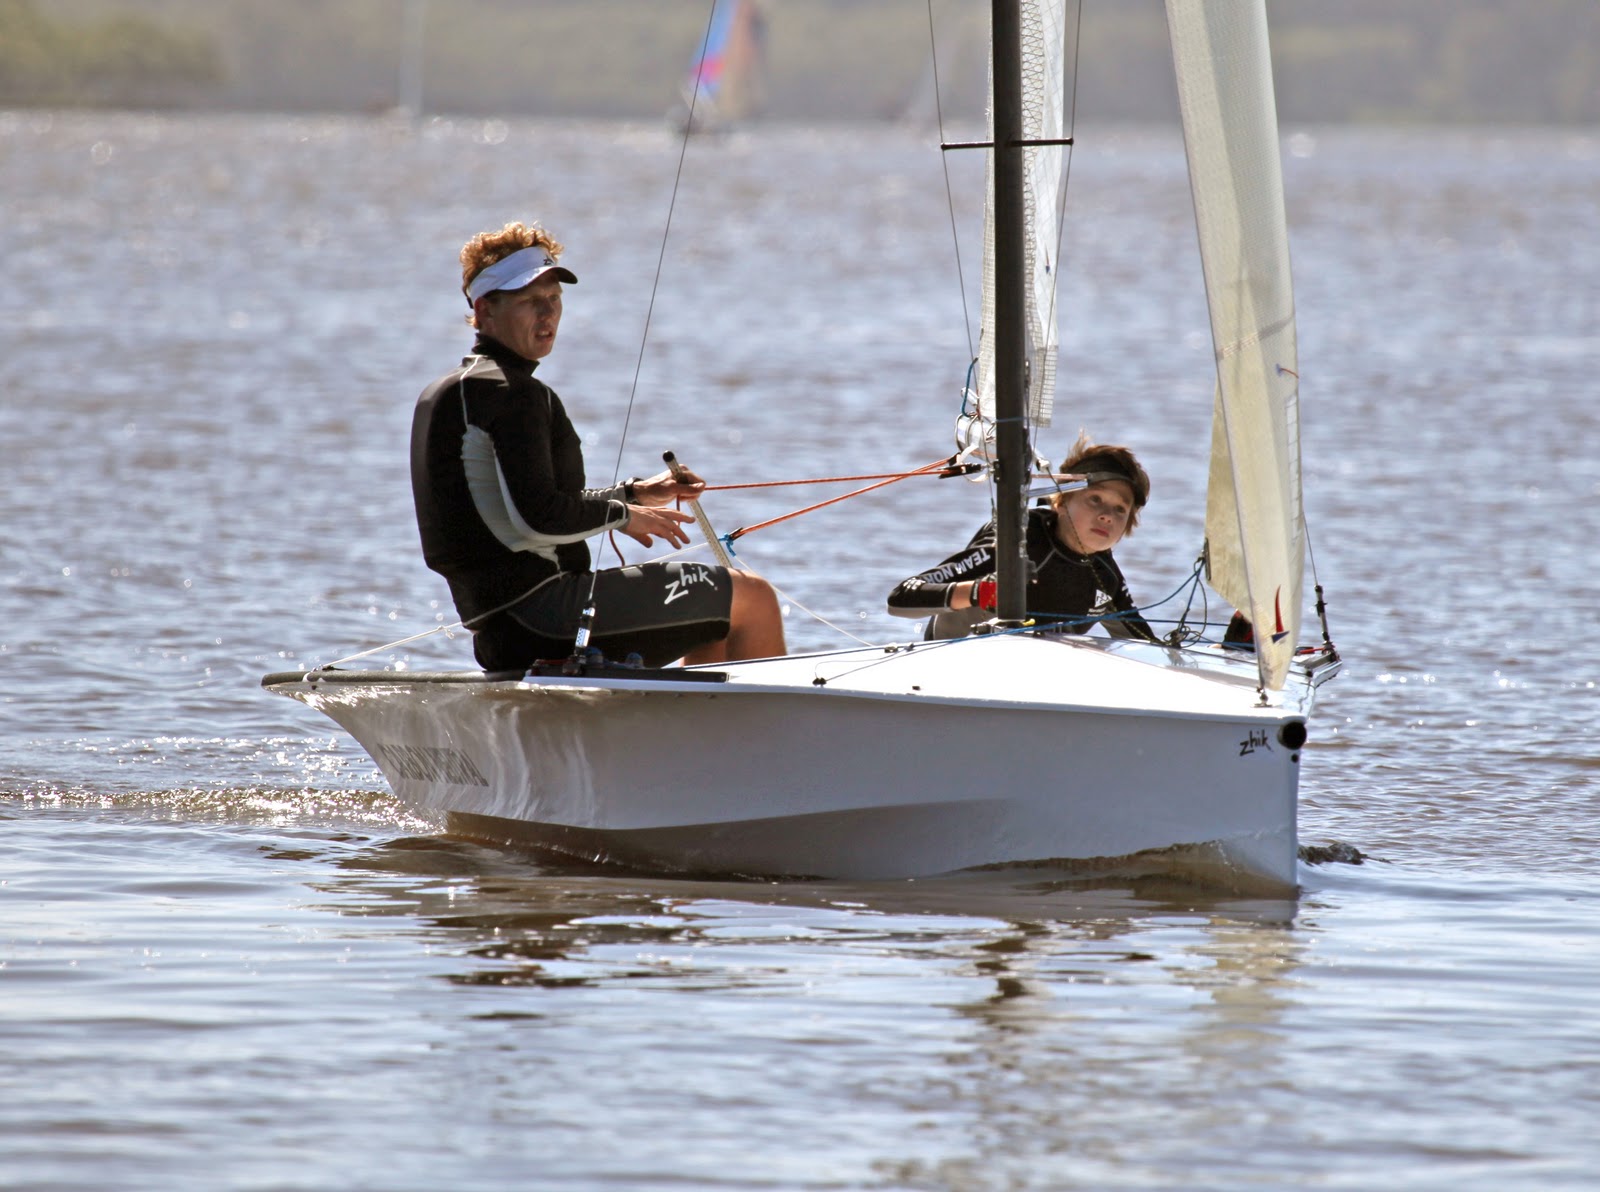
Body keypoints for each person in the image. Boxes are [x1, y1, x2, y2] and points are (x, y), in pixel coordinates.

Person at [411, 220, 786, 671]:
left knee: (715, 619)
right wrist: (622, 516)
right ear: (486, 311)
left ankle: (705, 733)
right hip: (547, 615)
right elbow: (537, 518)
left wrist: (633, 493)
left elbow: (520, 506)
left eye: (554, 300)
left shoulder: (449, 392)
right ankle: (776, 737)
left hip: (501, 626)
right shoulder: (513, 393)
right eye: (531, 302)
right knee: (754, 598)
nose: (547, 315)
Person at [886, 432, 1160, 643]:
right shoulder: (1016, 541)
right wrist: (977, 592)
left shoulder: (1106, 577)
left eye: (1120, 509)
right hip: (948, 665)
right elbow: (901, 596)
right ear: (1061, 502)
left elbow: (1146, 645)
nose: (1107, 516)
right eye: (1095, 499)